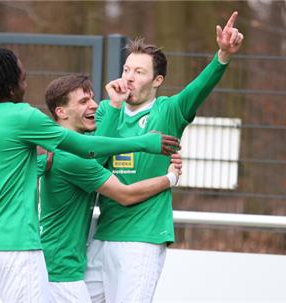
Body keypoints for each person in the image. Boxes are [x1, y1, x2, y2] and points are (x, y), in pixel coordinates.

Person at [0, 48, 179, 302]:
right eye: (22, 78)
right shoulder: (21, 117)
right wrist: (147, 145)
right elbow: (87, 150)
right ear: (8, 86)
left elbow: (11, 169)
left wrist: (42, 165)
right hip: (20, 247)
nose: (26, 85)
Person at [84, 11, 244, 302]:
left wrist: (222, 56)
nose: (129, 77)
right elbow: (93, 160)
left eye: (139, 72)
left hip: (142, 238)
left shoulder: (169, 111)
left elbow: (199, 89)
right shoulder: (109, 109)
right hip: (103, 234)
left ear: (157, 80)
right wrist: (115, 107)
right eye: (127, 69)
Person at [37, 74, 182, 303]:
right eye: (84, 101)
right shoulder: (70, 159)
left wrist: (114, 104)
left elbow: (97, 150)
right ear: (61, 112)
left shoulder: (59, 150)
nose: (94, 105)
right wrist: (170, 178)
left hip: (55, 267)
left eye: (93, 98)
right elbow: (125, 194)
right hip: (60, 274)